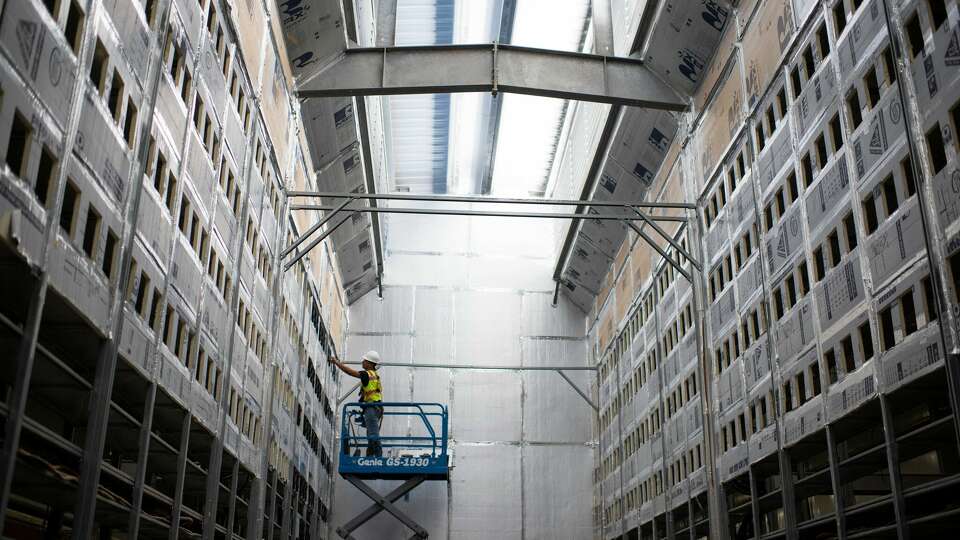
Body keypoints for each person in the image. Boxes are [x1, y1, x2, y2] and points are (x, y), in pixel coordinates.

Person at [329, 351, 383, 456]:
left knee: (373, 434)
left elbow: (350, 372)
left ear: (370, 363)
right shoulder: (374, 375)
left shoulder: (367, 374)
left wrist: (336, 362)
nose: (362, 362)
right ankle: (371, 455)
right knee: (371, 433)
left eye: (364, 360)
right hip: (375, 407)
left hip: (371, 407)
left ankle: (377, 457)